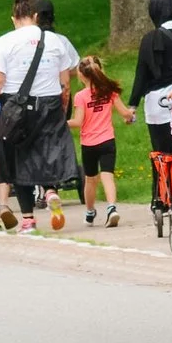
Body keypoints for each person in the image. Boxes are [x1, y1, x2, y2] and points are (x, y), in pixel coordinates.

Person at [0, 0, 80, 232]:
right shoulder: (55, 41)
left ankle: (28, 220)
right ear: (35, 17)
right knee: (48, 152)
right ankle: (51, 191)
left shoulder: (5, 42)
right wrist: (62, 107)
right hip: (50, 103)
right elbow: (65, 81)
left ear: (14, 18)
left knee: (20, 159)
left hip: (17, 106)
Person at [70, 57, 132, 226]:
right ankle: (112, 208)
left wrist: (60, 123)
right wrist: (130, 116)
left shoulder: (80, 96)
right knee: (108, 176)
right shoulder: (109, 92)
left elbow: (77, 122)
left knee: (90, 179)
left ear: (82, 76)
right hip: (107, 141)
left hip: (89, 144)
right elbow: (125, 113)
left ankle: (90, 212)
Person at [129, 0, 172, 161]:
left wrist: (133, 105)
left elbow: (142, 74)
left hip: (160, 106)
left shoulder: (150, 39)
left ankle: (166, 188)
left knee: (164, 158)